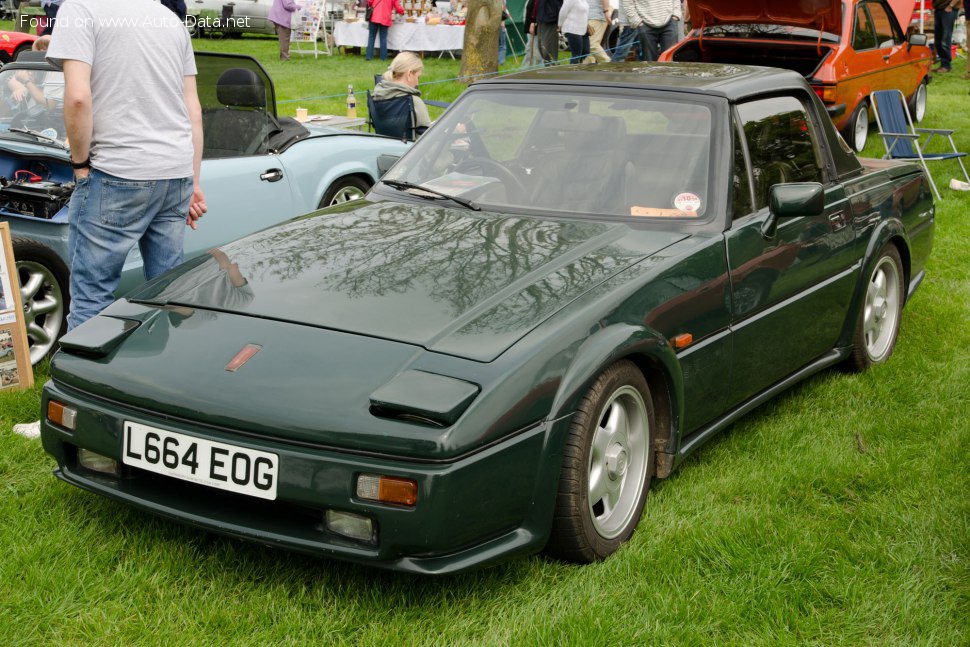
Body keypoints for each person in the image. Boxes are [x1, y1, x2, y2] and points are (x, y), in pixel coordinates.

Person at [46, 0, 206, 330]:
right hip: (175, 174)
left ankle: (81, 381)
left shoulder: (79, 9)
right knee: (167, 294)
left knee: (92, 296)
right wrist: (194, 181)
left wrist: (80, 166)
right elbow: (194, 111)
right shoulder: (170, 20)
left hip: (116, 171)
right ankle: (163, 373)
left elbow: (78, 97)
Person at [373, 51, 431, 136]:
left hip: (385, 146)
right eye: (418, 77)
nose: (417, 83)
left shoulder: (376, 96)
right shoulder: (413, 101)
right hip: (413, 148)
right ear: (409, 74)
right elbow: (428, 135)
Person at [933, 0, 961, 73]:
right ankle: (943, 64)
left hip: (948, 9)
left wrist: (950, 5)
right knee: (938, 40)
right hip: (939, 8)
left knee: (945, 39)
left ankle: (946, 65)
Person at [534, 0, 564, 65]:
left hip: (551, 20)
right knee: (540, 46)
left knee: (548, 48)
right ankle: (549, 65)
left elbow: (559, 5)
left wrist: (560, 22)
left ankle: (553, 65)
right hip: (541, 20)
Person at [560, 0, 589, 64]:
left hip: (583, 29)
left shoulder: (584, 1)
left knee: (586, 51)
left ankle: (579, 69)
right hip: (572, 29)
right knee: (576, 54)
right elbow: (563, 12)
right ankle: (572, 72)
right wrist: (560, 25)